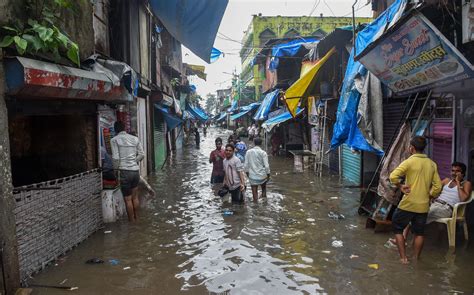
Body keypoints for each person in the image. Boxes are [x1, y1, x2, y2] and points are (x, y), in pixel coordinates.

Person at [389, 136, 442, 264]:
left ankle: (403, 258)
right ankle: (416, 258)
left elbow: (393, 176)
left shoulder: (409, 161)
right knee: (419, 233)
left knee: (398, 229)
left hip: (408, 204)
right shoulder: (432, 164)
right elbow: (438, 186)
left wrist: (401, 186)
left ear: (411, 148)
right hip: (423, 206)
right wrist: (430, 195)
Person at [391, 162, 472, 242]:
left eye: (457, 171)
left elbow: (463, 198)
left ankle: (411, 238)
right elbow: (435, 189)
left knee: (419, 217)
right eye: (452, 171)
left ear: (462, 173)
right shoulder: (447, 180)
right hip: (435, 204)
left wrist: (458, 183)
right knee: (413, 211)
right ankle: (405, 238)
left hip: (446, 208)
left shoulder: (466, 184)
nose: (454, 173)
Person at [111, 121, 145, 222]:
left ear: (116, 129)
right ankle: (137, 219)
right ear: (125, 128)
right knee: (135, 198)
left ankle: (132, 223)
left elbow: (116, 158)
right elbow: (142, 154)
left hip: (124, 172)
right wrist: (133, 161)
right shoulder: (135, 139)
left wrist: (116, 172)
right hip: (135, 172)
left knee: (128, 199)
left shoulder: (114, 140)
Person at [244, 137, 270, 202]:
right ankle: (264, 205)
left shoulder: (248, 152)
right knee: (263, 190)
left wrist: (248, 174)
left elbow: (246, 165)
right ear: (261, 144)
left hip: (252, 176)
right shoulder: (263, 153)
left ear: (254, 143)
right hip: (262, 176)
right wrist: (268, 175)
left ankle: (255, 207)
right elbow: (266, 166)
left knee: (254, 196)